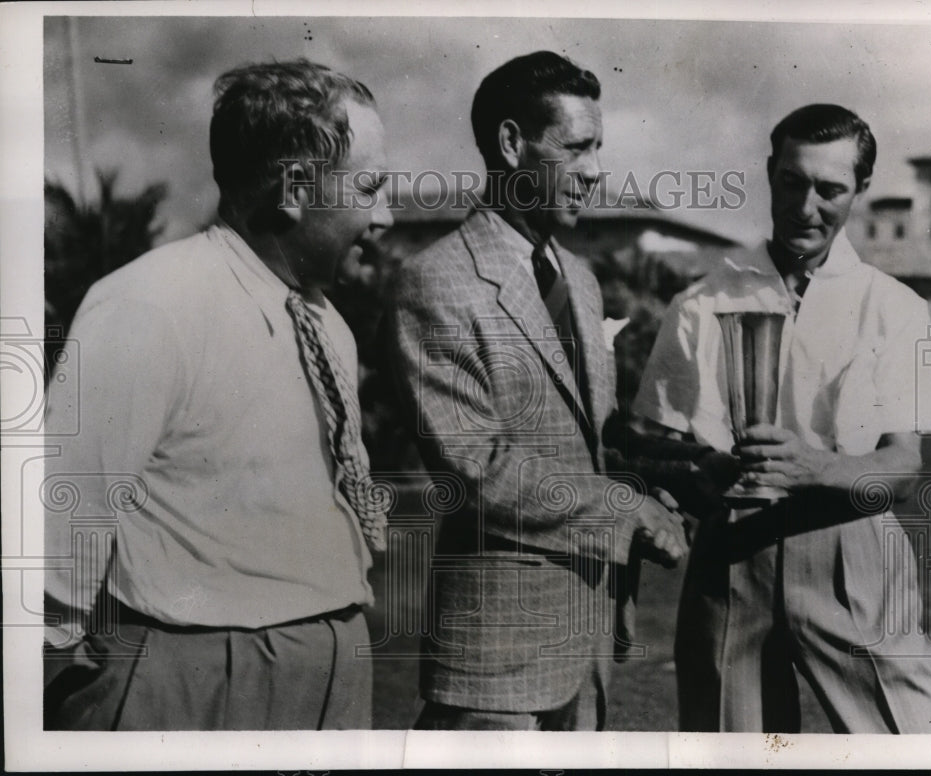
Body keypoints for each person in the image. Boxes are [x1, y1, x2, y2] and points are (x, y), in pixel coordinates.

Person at [42, 59, 393, 730]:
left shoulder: (330, 325)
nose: (388, 213)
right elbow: (63, 516)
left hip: (333, 667)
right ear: (295, 187)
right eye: (372, 185)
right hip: (193, 677)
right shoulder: (149, 304)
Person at [384, 50, 688, 731]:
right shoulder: (436, 282)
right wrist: (622, 509)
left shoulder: (578, 278)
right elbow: (475, 468)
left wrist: (653, 483)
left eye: (599, 148)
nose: (596, 171)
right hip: (496, 666)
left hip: (588, 646)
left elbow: (587, 439)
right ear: (512, 145)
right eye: (576, 148)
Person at [626, 103, 931, 733]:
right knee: (731, 750)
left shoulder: (894, 307)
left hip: (851, 547)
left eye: (830, 189)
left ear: (860, 189)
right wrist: (701, 471)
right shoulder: (700, 301)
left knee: (909, 741)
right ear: (770, 173)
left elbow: (904, 467)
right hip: (730, 551)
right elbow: (652, 447)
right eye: (791, 182)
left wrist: (816, 466)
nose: (806, 207)